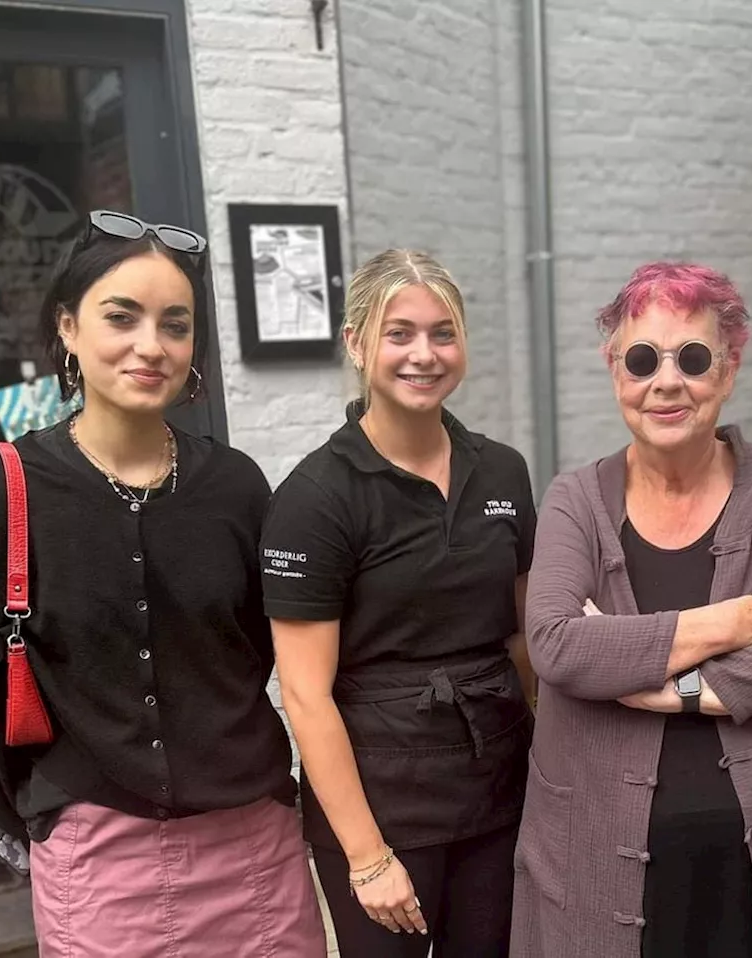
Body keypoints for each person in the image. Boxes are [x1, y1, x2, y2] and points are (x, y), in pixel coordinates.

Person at [0, 210, 326, 956]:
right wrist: (35, 818)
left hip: (254, 843)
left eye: (175, 325)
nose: (152, 346)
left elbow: (260, 649)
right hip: (96, 850)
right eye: (123, 316)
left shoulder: (237, 486)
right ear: (69, 327)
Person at [513, 262, 752, 958]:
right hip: (597, 866)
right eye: (642, 360)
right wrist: (723, 625)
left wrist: (673, 688)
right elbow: (554, 643)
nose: (666, 381)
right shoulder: (575, 500)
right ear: (616, 374)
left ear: (728, 370)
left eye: (692, 358)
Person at [263, 248, 538, 958]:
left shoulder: (503, 470)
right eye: (400, 333)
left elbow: (524, 644)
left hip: (496, 789)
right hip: (382, 804)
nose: (425, 353)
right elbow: (304, 691)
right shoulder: (317, 497)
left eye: (443, 333)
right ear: (356, 344)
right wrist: (367, 856)